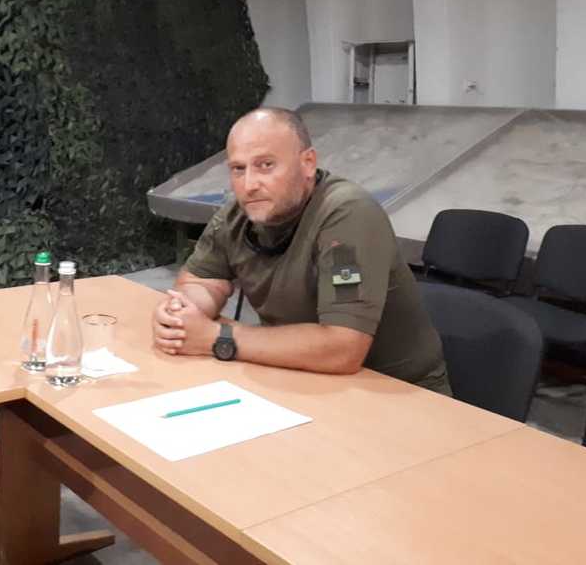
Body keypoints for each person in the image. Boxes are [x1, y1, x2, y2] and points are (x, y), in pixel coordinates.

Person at [152, 108, 451, 394]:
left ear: (307, 163)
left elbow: (342, 347)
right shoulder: (238, 215)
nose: (249, 184)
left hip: (394, 393)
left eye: (265, 165)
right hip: (300, 377)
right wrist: (183, 315)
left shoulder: (347, 215)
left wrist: (218, 338)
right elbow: (202, 282)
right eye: (238, 169)